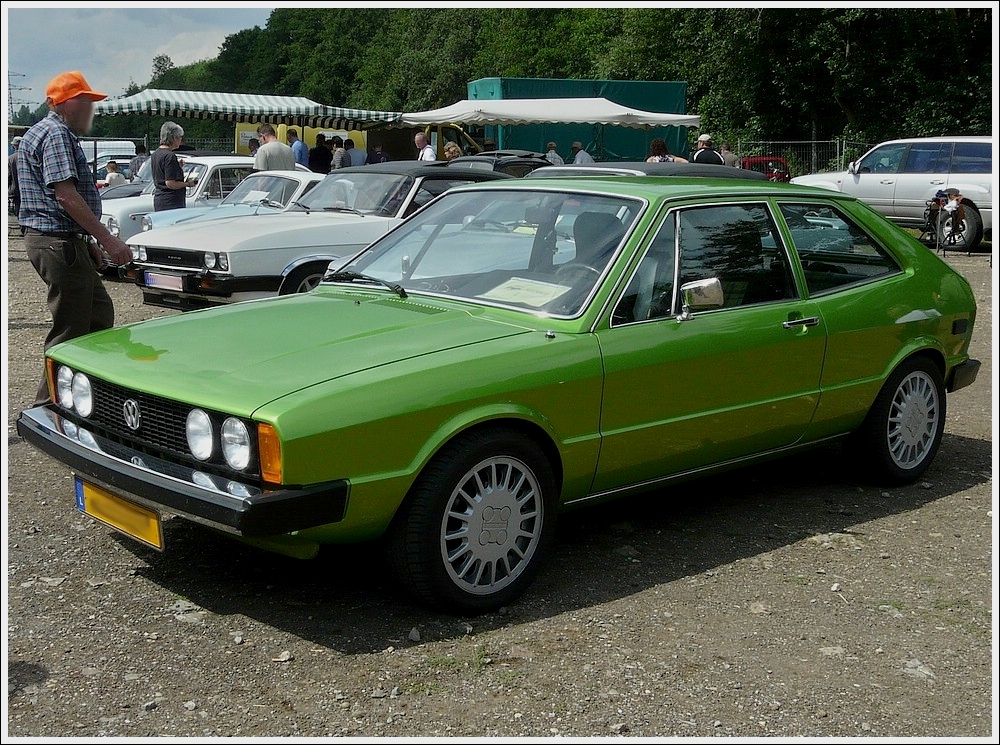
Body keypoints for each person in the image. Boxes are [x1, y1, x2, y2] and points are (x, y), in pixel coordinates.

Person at [15, 70, 133, 406]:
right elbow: (65, 195)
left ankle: (84, 397)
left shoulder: (43, 132)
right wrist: (108, 240)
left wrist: (87, 241)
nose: (92, 110)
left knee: (96, 315)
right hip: (57, 243)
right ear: (70, 104)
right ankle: (47, 406)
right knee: (71, 329)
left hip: (59, 241)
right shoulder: (56, 135)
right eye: (88, 102)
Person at [150, 121, 193, 212]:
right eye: (180, 137)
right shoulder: (170, 156)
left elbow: (162, 172)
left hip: (159, 198)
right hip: (171, 201)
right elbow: (170, 183)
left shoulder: (155, 154)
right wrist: (188, 184)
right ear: (173, 138)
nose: (181, 140)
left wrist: (177, 166)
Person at [8, 136, 22, 216]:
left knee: (18, 210)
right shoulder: (29, 156)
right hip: (28, 189)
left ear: (14, 146)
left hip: (15, 189)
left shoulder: (10, 159)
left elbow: (8, 176)